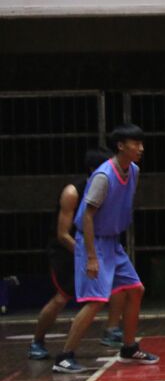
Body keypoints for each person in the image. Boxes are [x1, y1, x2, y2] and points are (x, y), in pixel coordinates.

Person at [52, 124, 158, 374]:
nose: (141, 148)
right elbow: (88, 217)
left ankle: (129, 348)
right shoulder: (103, 176)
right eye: (136, 144)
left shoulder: (133, 171)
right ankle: (64, 357)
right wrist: (91, 256)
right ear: (121, 146)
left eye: (142, 143)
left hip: (112, 242)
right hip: (94, 241)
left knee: (136, 289)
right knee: (96, 300)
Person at [28, 148, 127, 360]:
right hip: (67, 249)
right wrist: (89, 255)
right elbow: (63, 235)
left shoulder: (108, 189)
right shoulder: (72, 193)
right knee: (62, 298)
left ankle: (111, 330)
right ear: (94, 170)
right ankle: (37, 341)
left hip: (93, 247)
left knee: (121, 285)